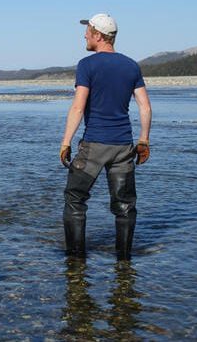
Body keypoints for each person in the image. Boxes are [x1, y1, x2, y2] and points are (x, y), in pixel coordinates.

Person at [59, 13, 152, 260]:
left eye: (88, 31)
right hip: (124, 146)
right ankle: (124, 261)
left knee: (74, 199)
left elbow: (78, 107)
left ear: (99, 36)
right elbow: (145, 106)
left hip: (94, 146)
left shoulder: (87, 65)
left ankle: (76, 260)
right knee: (125, 207)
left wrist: (66, 142)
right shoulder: (131, 65)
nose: (85, 35)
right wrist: (143, 140)